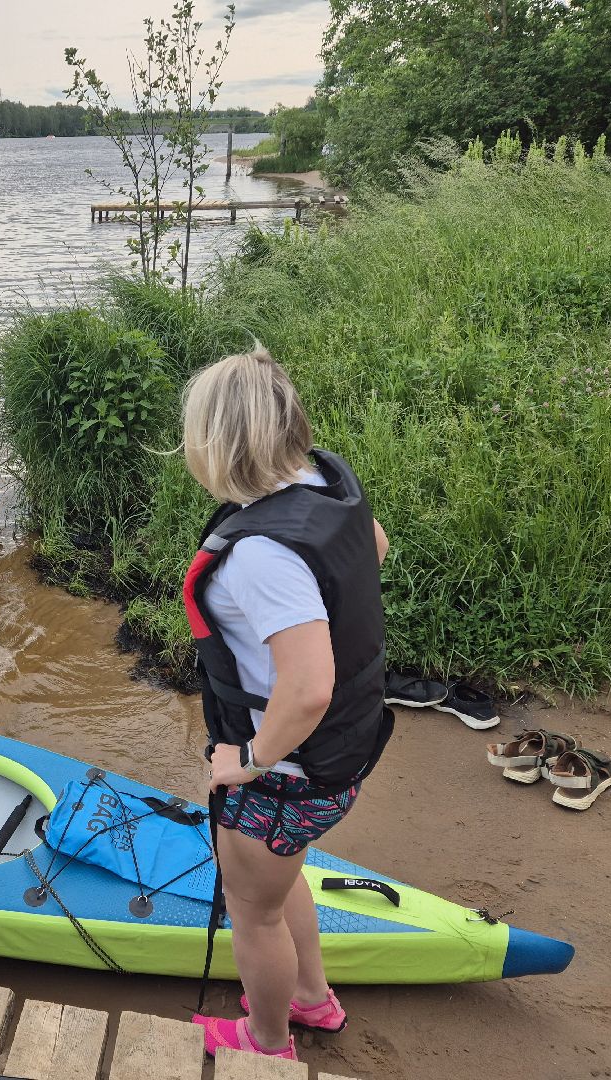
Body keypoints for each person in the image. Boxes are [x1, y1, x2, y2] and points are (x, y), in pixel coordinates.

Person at [180, 349, 391, 1062]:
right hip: (343, 755)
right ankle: (311, 998)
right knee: (281, 875)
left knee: (254, 913)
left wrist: (249, 759)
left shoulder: (261, 555)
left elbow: (307, 689)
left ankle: (267, 1041)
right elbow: (374, 547)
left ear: (217, 443)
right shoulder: (325, 485)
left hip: (286, 774)